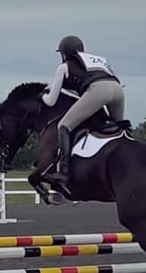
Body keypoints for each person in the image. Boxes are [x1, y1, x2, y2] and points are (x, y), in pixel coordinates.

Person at [40, 35, 125, 189]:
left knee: (63, 126)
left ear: (64, 53)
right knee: (120, 127)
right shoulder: (96, 63)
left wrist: (43, 96)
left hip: (99, 91)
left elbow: (51, 101)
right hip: (118, 90)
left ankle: (64, 174)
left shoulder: (64, 66)